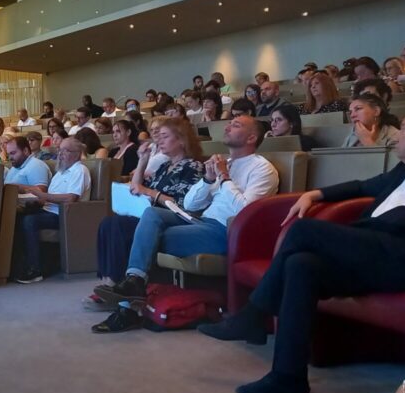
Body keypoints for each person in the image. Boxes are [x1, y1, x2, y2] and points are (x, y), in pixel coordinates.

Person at [199, 130, 405, 393]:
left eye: (403, 128)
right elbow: (361, 186)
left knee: (304, 231)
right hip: (372, 251)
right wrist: (314, 194)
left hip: (398, 255)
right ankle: (289, 375)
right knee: (301, 264)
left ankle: (252, 315)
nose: (398, 134)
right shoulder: (401, 171)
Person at [96, 116, 279, 304]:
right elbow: (191, 205)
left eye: (236, 125)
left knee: (139, 235)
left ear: (251, 138)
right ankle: (134, 281)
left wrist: (224, 177)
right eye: (229, 123)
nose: (227, 127)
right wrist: (207, 180)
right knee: (151, 215)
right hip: (200, 222)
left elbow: (245, 211)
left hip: (225, 231)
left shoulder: (261, 168)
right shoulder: (226, 162)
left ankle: (129, 300)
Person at [91, 118, 205, 311]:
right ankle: (110, 282)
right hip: (151, 214)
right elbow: (137, 188)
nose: (159, 141)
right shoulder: (164, 167)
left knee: (119, 226)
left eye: (165, 136)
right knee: (108, 223)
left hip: (172, 216)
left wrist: (148, 192)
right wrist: (143, 161)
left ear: (182, 140)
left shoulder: (193, 166)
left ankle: (127, 284)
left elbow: (183, 203)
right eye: (158, 136)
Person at [11, 139, 91, 284]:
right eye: (59, 150)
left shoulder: (79, 170)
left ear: (77, 154)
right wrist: (35, 198)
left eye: (65, 151)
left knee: (30, 221)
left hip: (64, 216)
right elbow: (49, 197)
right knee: (17, 217)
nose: (60, 154)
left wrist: (43, 195)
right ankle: (20, 265)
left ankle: (35, 269)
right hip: (48, 210)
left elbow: (70, 198)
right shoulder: (61, 172)